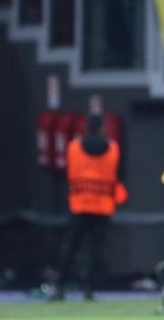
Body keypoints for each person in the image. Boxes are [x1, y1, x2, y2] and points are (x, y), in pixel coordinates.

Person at [52, 114, 127, 301]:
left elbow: (65, 173)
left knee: (70, 249)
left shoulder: (74, 148)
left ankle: (60, 287)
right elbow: (118, 176)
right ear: (102, 128)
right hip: (102, 208)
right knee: (96, 251)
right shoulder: (113, 149)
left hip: (79, 205)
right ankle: (89, 289)